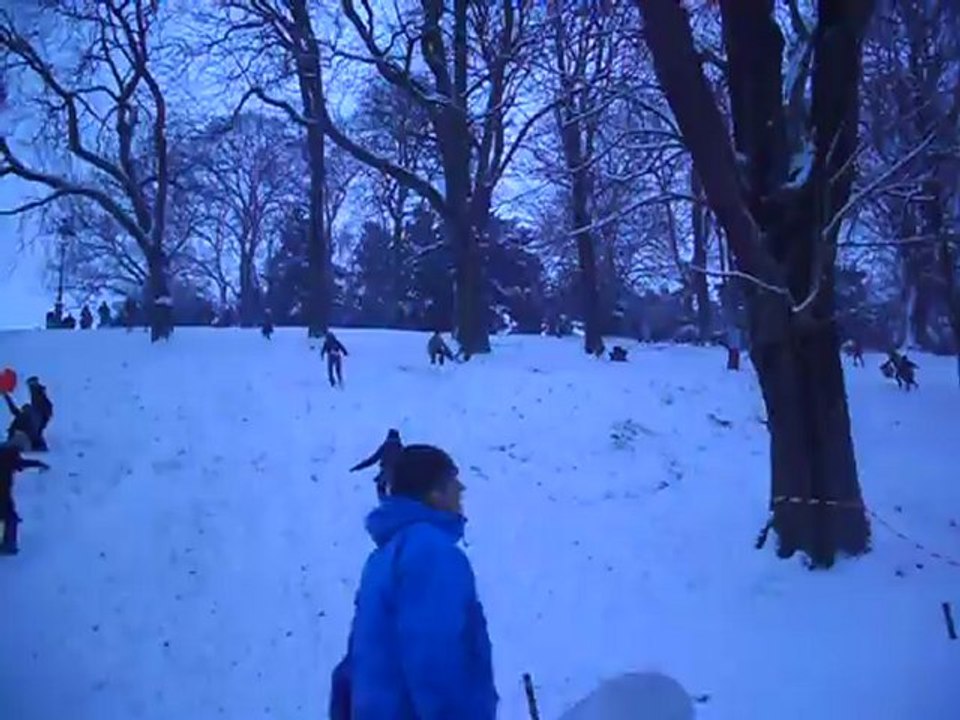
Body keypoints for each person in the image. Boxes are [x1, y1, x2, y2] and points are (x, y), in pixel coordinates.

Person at [330, 444, 497, 720]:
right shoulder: (431, 551)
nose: (461, 490)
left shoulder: (380, 560)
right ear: (434, 493)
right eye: (452, 481)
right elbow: (435, 656)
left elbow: (353, 666)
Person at [1, 441, 50, 555]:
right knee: (10, 517)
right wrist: (38, 464)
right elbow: (22, 463)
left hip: (3, 492)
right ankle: (8, 544)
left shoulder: (5, 455)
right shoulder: (9, 458)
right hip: (2, 493)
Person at [350, 429, 403, 499]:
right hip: (399, 476)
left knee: (382, 493)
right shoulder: (401, 448)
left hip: (385, 475)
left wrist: (357, 467)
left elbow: (372, 460)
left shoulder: (385, 447)